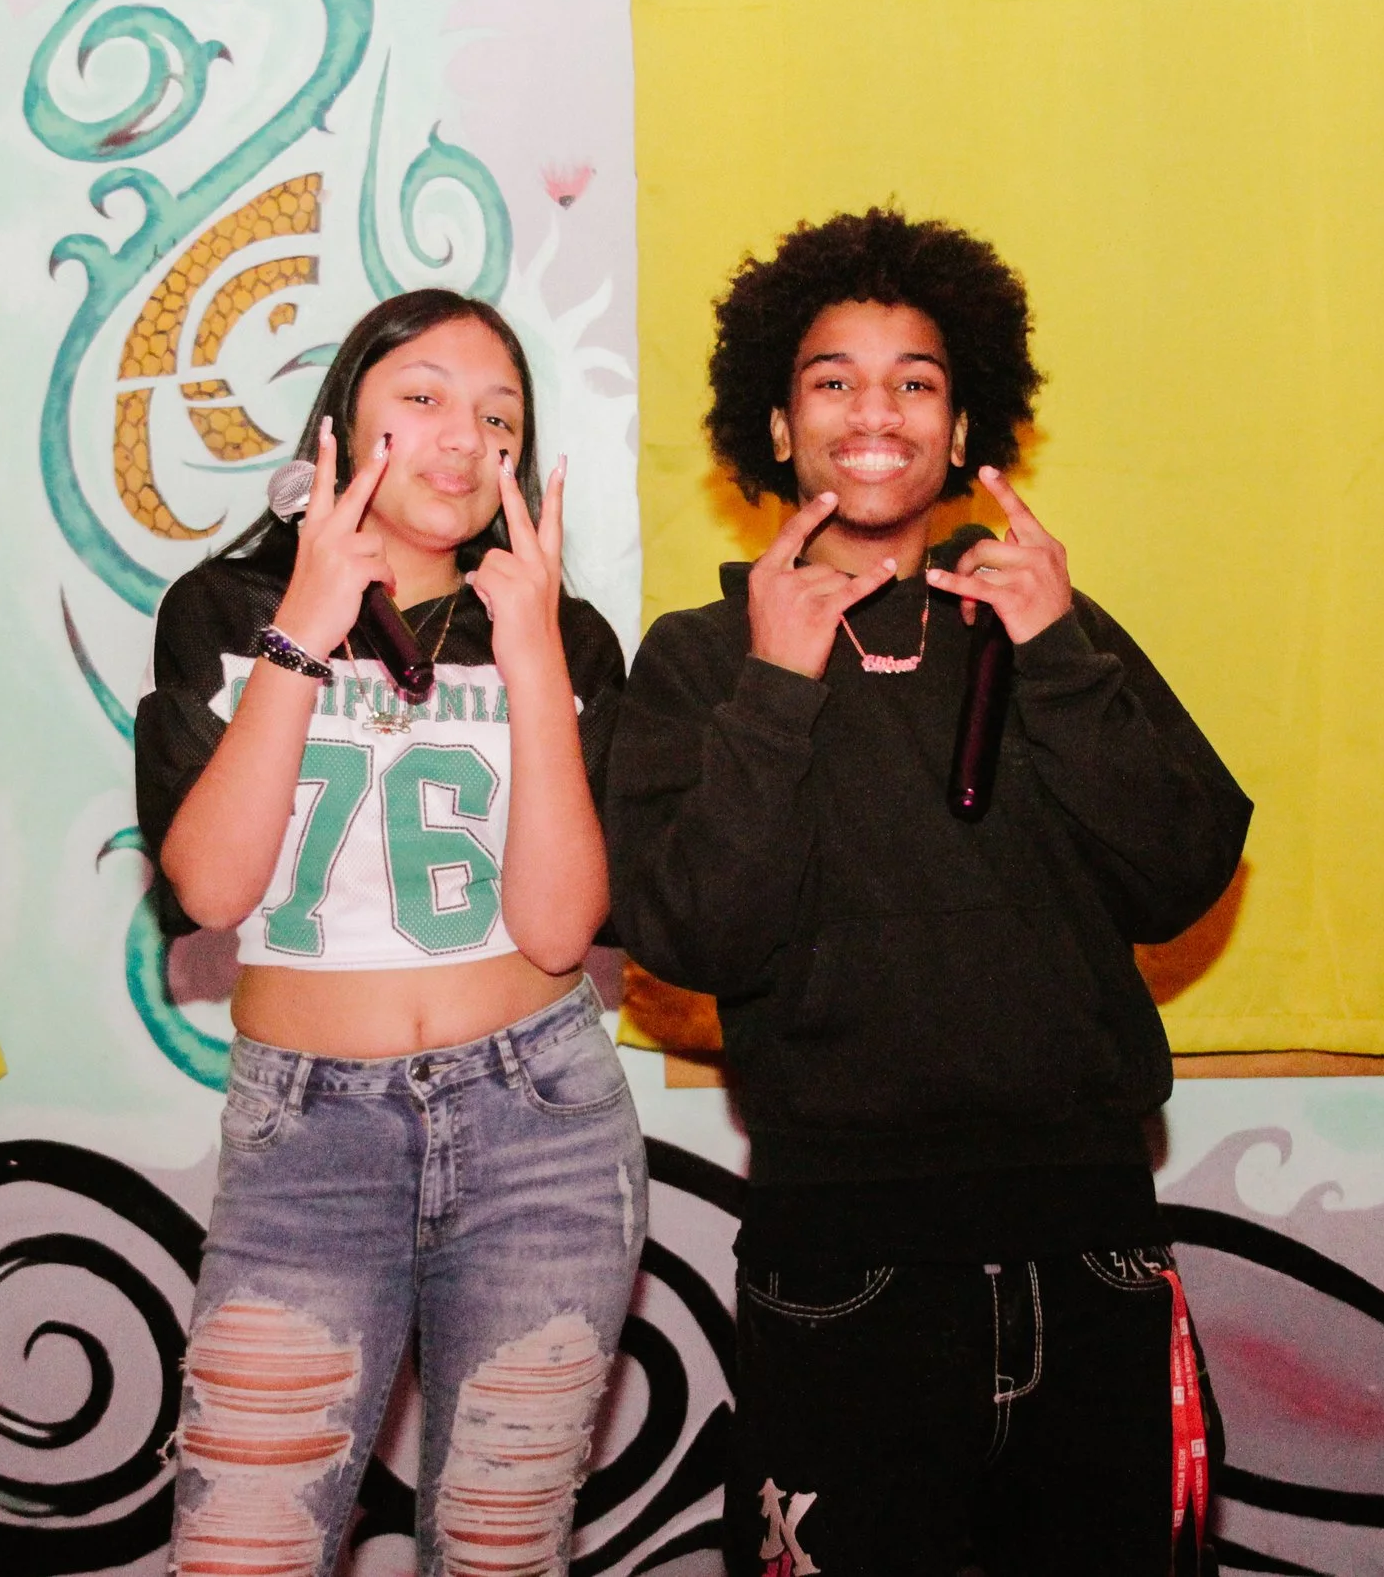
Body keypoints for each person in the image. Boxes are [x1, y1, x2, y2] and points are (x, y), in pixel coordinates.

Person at [606, 209, 1251, 1576]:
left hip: (1094, 1249)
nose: (873, 408)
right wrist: (777, 686)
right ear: (776, 427)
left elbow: (1184, 865)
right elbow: (697, 931)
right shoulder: (701, 655)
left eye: (916, 379)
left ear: (965, 429)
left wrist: (1061, 649)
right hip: (846, 1264)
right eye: (831, 378)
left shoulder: (1043, 618)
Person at [135, 288, 646, 1577]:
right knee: (241, 1549)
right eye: (420, 398)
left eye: (498, 417)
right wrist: (303, 634)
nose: (462, 439)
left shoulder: (565, 637)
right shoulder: (226, 609)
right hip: (307, 1139)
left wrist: (532, 652)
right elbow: (207, 888)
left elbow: (559, 924)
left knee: (499, 1555)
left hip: (543, 1132)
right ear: (344, 421)